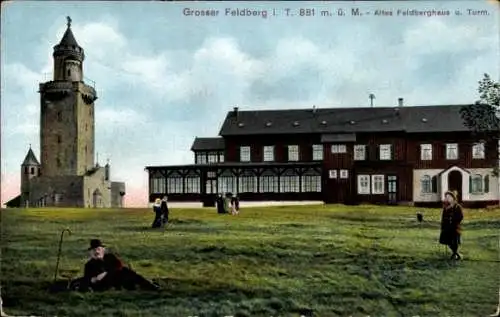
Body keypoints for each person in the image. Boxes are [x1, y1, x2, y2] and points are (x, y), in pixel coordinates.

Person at [80, 239, 160, 292]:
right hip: (103, 284)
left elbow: (119, 265)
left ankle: (151, 287)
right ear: (91, 252)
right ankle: (145, 286)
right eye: (94, 250)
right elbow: (88, 280)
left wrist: (105, 273)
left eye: (98, 249)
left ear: (103, 250)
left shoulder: (110, 257)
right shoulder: (89, 265)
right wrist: (94, 279)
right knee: (124, 272)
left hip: (116, 279)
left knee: (126, 271)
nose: (97, 252)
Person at [439, 190, 464, 260]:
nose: (447, 198)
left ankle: (455, 254)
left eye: (449, 197)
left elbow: (461, 216)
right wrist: (442, 225)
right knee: (447, 241)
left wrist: (455, 221)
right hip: (447, 227)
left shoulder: (457, 206)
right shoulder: (445, 207)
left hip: (455, 227)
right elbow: (443, 217)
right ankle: (456, 253)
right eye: (446, 197)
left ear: (453, 198)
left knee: (455, 242)